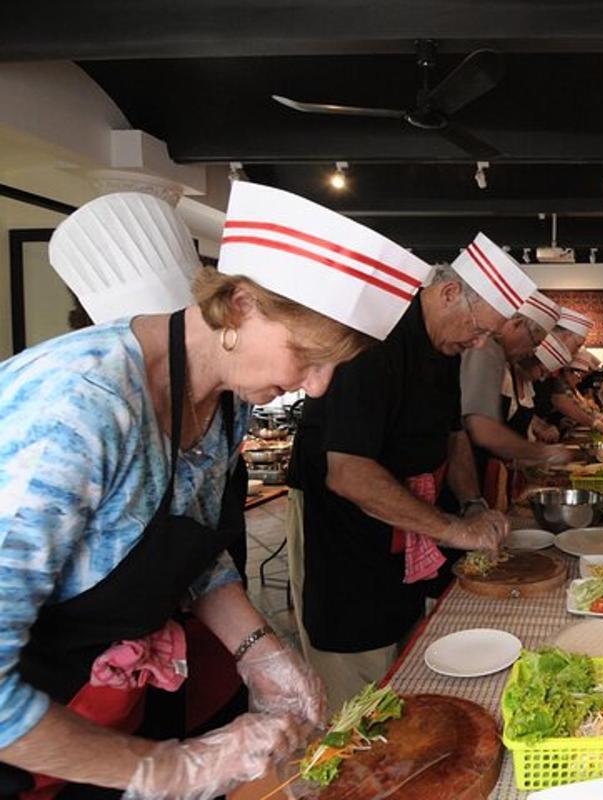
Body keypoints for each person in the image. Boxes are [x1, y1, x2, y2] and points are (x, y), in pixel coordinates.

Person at [0, 182, 395, 798]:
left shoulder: (224, 401)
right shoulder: (79, 406)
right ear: (240, 305)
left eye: (333, 368)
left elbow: (187, 545)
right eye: (308, 356)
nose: (315, 388)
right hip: (30, 747)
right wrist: (169, 770)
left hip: (110, 713)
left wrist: (258, 648)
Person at [286, 231, 537, 710]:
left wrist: (472, 503)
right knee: (359, 678)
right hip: (346, 533)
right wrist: (453, 529)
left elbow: (453, 435)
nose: (479, 343)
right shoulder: (372, 339)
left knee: (405, 655)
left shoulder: (444, 343)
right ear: (447, 293)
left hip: (405, 526)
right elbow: (349, 473)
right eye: (479, 329)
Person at [460, 286, 572, 497]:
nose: (532, 351)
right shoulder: (487, 349)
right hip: (470, 474)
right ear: (517, 324)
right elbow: (482, 429)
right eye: (534, 342)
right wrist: (544, 453)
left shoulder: (504, 360)